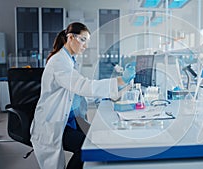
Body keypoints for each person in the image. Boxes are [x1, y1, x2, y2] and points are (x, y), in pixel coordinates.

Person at [30, 22, 135, 169]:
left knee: (95, 140)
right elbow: (83, 86)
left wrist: (109, 93)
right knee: (86, 146)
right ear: (70, 37)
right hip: (54, 123)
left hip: (69, 119)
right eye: (83, 40)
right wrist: (120, 80)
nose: (85, 46)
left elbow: (77, 93)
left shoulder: (70, 60)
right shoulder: (59, 62)